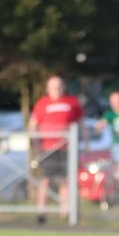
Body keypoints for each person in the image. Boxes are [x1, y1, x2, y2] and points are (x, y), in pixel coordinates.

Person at [29, 75, 84, 224]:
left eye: (59, 86)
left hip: (67, 147)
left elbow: (80, 123)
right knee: (46, 179)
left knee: (66, 180)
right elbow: (33, 124)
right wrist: (35, 144)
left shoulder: (71, 102)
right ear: (48, 88)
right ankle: (42, 212)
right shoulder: (42, 103)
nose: (57, 89)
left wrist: (85, 143)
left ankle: (65, 211)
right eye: (54, 87)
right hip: (48, 147)